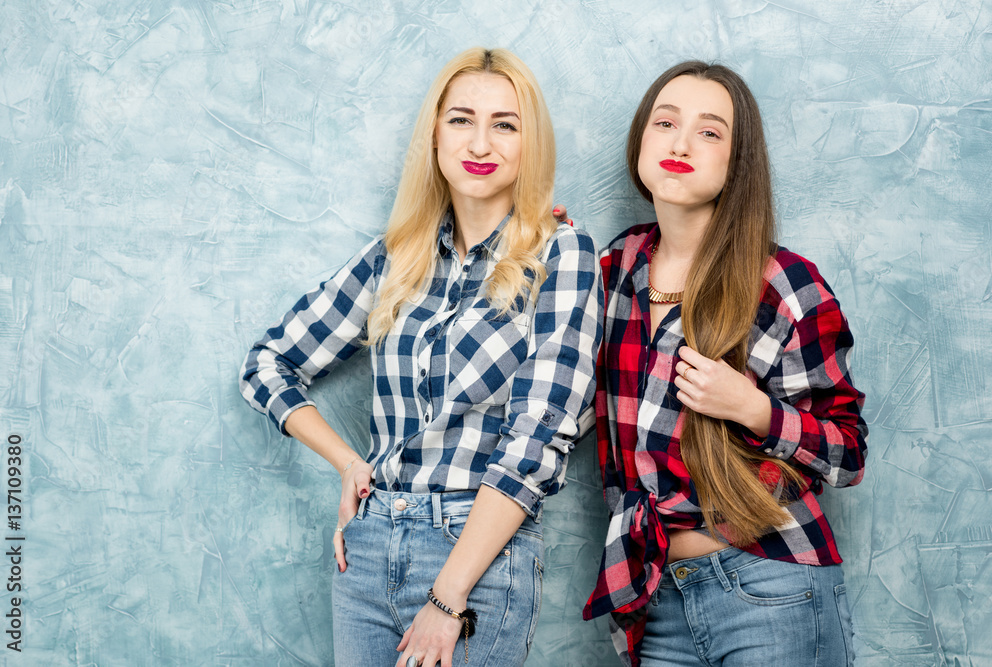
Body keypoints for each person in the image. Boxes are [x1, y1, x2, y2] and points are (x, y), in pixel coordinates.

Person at [239, 47, 602, 667]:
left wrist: (449, 596)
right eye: (461, 119)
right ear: (434, 135)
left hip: (477, 553)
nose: (480, 142)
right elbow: (267, 365)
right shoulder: (395, 259)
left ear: (529, 145)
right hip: (369, 543)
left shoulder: (560, 255)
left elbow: (539, 437)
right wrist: (349, 463)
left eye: (505, 124)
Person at [578, 61, 868, 666]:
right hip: (653, 596)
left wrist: (754, 409)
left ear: (737, 161)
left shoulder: (784, 285)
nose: (681, 143)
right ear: (641, 140)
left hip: (772, 587)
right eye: (665, 122)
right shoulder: (611, 270)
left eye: (710, 131)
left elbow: (848, 454)